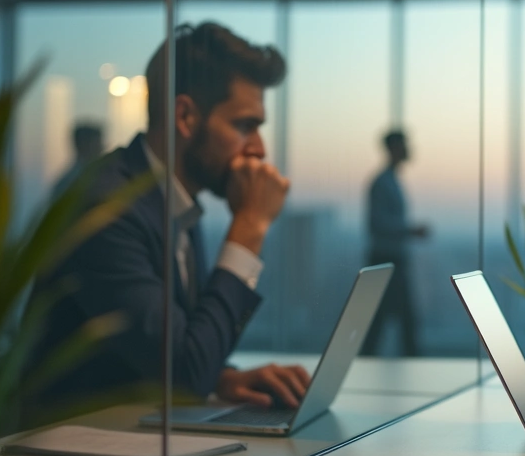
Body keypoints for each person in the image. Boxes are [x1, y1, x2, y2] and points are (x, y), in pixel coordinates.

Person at [24, 22, 310, 422]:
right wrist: (250, 226)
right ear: (186, 116)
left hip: (128, 443)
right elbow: (184, 374)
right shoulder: (108, 208)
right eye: (245, 125)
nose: (259, 149)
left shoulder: (173, 200)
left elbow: (171, 350)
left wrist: (222, 379)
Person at [362, 130, 429, 356]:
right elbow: (377, 224)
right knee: (396, 322)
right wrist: (410, 230)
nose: (408, 149)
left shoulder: (390, 181)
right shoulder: (382, 182)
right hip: (385, 260)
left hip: (391, 260)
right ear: (393, 148)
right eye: (404, 144)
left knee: (384, 322)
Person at [52, 122, 104, 196]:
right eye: (97, 144)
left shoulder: (67, 180)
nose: (101, 149)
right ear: (82, 144)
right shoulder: (70, 182)